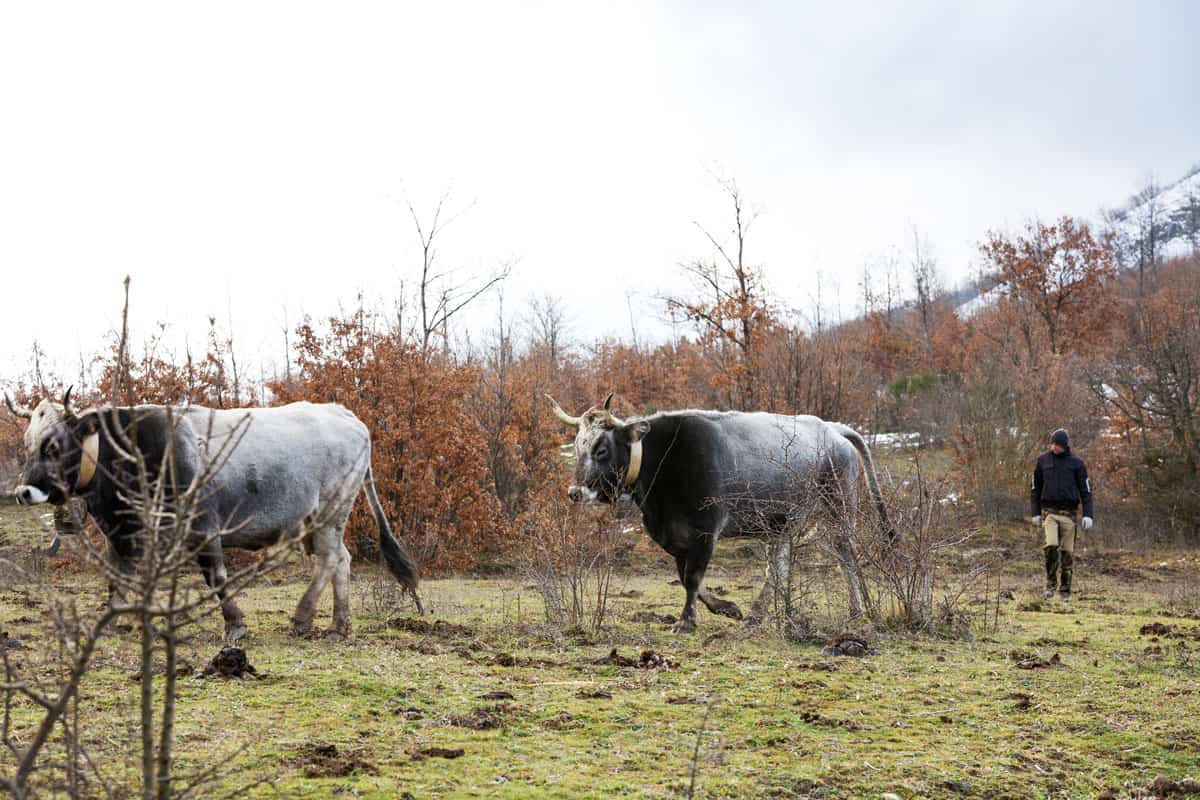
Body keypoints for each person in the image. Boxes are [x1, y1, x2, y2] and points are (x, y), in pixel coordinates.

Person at [1030, 428, 1093, 602]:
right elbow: (1035, 489)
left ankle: (1065, 591)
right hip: (1049, 513)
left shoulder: (1077, 464)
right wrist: (1035, 513)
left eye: (1057, 444)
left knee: (1067, 553)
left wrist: (1088, 514)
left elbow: (1086, 491)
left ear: (1064, 446)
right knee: (1051, 545)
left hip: (1069, 515)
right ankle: (1050, 586)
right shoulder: (1042, 461)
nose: (1054, 447)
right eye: (1052, 443)